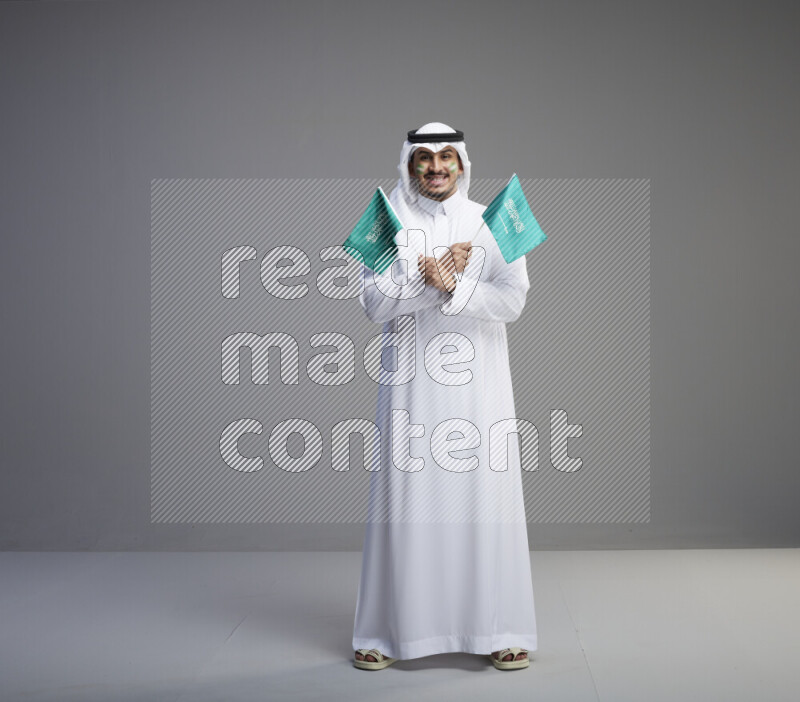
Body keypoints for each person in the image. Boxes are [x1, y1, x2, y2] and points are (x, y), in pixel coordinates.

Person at [352, 122, 537, 671]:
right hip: (410, 387)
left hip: (480, 388)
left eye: (446, 157)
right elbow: (371, 304)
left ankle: (500, 628)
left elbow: (514, 302)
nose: (436, 168)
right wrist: (422, 281)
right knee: (405, 502)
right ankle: (386, 633)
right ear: (408, 164)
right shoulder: (386, 217)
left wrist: (458, 286)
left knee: (486, 498)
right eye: (424, 159)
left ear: (462, 163)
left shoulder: (492, 220)